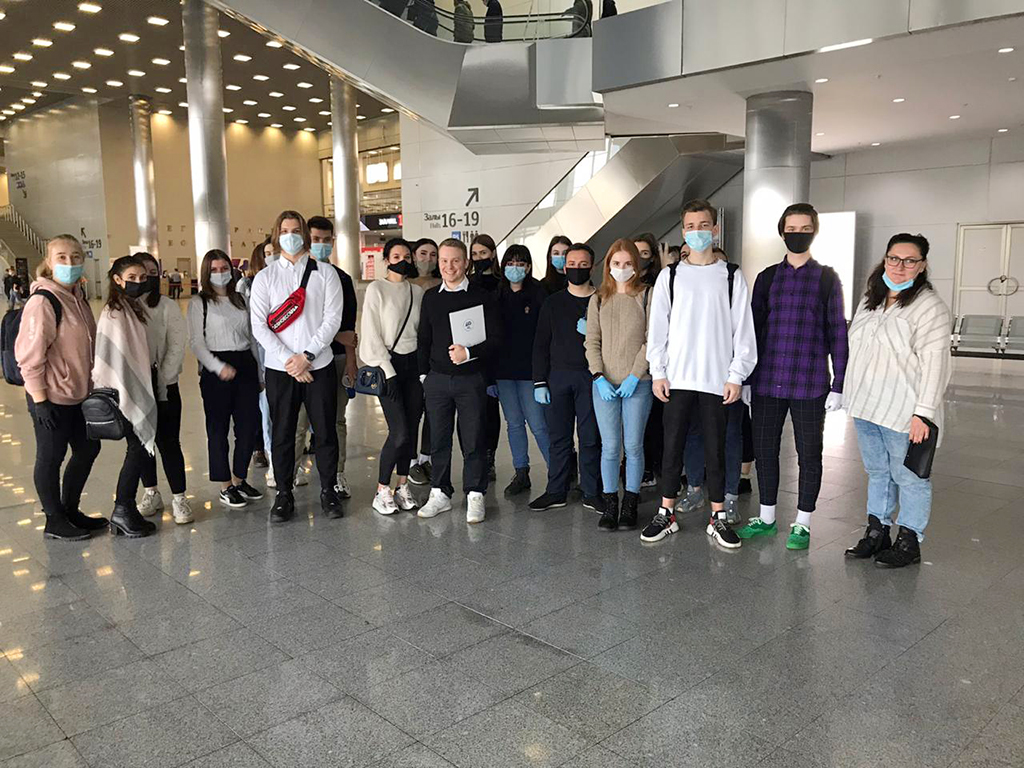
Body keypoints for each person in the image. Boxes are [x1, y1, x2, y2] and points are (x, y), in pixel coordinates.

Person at [642, 199, 756, 548]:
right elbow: (657, 329)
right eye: (690, 227)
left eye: (703, 225)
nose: (697, 232)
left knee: (716, 449)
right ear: (683, 231)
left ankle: (717, 516)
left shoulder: (732, 276)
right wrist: (658, 372)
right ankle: (666, 513)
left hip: (717, 379)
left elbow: (743, 330)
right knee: (672, 447)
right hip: (677, 378)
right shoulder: (670, 276)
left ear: (714, 229)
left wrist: (736, 375)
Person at [736, 204, 848, 550]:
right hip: (767, 381)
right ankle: (767, 517)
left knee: (809, 453)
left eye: (805, 228)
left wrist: (839, 383)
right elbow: (752, 331)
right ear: (782, 232)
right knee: (765, 451)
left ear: (814, 231)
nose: (798, 234)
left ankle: (803, 522)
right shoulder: (767, 277)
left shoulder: (827, 278)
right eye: (792, 228)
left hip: (809, 383)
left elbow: (837, 331)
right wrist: (746, 378)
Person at [843, 234, 950, 568]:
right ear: (885, 259)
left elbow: (936, 364)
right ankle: (877, 531)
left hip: (905, 411)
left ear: (922, 265)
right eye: (894, 258)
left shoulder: (929, 307)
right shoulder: (870, 301)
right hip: (866, 406)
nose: (900, 266)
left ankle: (909, 540)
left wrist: (924, 413)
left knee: (910, 477)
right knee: (878, 472)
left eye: (909, 260)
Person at [249, 210, 344, 523]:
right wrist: (290, 360)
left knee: (325, 432)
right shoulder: (265, 277)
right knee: (283, 434)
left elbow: (332, 319)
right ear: (277, 235)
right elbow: (259, 325)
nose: (291, 236)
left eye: (296, 230)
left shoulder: (325, 273)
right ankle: (283, 493)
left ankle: (328, 490)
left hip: (320, 366)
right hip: (281, 370)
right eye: (285, 231)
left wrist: (308, 356)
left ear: (304, 234)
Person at [14, 235, 105, 540]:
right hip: (51, 395)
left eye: (76, 256)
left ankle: (70, 509)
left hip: (79, 394)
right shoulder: (44, 301)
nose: (70, 262)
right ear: (49, 263)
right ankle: (54, 519)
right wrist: (40, 401)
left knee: (88, 448)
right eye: (62, 257)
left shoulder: (77, 297)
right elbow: (29, 357)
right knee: (51, 456)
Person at [416, 238, 501, 524]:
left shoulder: (482, 296)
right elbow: (423, 339)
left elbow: (496, 339)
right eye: (443, 260)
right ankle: (439, 492)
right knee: (439, 440)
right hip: (437, 380)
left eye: (455, 260)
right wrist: (424, 376)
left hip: (470, 379)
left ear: (466, 263)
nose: (449, 266)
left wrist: (470, 353)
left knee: (474, 438)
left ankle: (475, 493)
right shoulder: (431, 297)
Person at [529, 243, 603, 513]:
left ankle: (592, 491)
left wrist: (595, 331)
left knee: (590, 437)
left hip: (592, 378)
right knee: (558, 437)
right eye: (571, 264)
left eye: (583, 265)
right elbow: (540, 344)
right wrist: (539, 381)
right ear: (564, 267)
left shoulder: (602, 300)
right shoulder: (553, 302)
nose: (576, 269)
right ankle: (556, 490)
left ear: (592, 268)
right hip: (557, 377)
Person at [585, 239, 653, 531]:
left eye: (627, 263)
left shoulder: (647, 295)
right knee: (610, 447)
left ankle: (631, 503)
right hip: (605, 384)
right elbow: (592, 341)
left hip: (638, 384)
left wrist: (635, 375)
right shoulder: (598, 298)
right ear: (608, 265)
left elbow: (652, 340)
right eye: (616, 263)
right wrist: (598, 376)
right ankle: (611, 501)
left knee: (634, 446)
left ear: (636, 265)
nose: (622, 268)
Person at [188, 249, 264, 509]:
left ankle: (240, 478)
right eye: (214, 270)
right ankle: (225, 485)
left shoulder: (241, 299)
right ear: (206, 273)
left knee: (248, 426)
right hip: (216, 368)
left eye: (224, 268)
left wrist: (259, 372)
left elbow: (252, 337)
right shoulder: (199, 302)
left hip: (244, 364)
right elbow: (196, 343)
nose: (220, 274)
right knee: (218, 429)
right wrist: (217, 367)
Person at [92, 256, 158, 538]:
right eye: (132, 278)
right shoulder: (114, 313)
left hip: (136, 385)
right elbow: (113, 357)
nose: (139, 282)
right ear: (117, 280)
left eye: (143, 278)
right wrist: (127, 389)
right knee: (137, 449)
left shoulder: (132, 307)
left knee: (138, 449)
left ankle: (125, 508)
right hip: (124, 390)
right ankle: (122, 509)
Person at [362, 239, 425, 515]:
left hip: (413, 366)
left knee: (410, 430)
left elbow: (421, 332)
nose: (402, 260)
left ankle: (402, 486)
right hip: (388, 365)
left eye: (406, 256)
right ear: (386, 259)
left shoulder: (416, 291)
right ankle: (381, 489)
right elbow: (371, 333)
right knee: (398, 432)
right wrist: (388, 372)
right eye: (396, 256)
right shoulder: (376, 289)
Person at [135, 253, 193, 525]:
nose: (146, 278)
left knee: (168, 442)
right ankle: (151, 492)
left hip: (165, 386)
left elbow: (177, 346)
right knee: (142, 443)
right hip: (136, 387)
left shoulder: (167, 306)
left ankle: (179, 496)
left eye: (151, 272)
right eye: (140, 273)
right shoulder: (125, 307)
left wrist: (162, 380)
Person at [309, 215, 358, 497]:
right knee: (300, 422)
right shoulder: (297, 276)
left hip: (337, 359)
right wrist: (333, 336)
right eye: (316, 239)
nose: (321, 244)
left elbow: (348, 328)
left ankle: (337, 473)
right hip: (306, 360)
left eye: (326, 240)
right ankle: (288, 475)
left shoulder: (342, 278)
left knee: (337, 419)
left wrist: (351, 361)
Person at [495, 244, 550, 496]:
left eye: (520, 264)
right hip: (504, 372)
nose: (515, 268)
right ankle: (521, 472)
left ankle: (557, 472)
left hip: (531, 372)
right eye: (510, 263)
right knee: (514, 423)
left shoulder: (538, 293)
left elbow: (544, 335)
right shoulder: (497, 295)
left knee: (538, 424)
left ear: (528, 267)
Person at [409, 238, 441, 486]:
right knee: (412, 411)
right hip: (409, 355)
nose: (427, 259)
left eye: (433, 254)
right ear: (413, 255)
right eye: (423, 253)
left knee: (433, 411)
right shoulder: (405, 284)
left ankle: (426, 457)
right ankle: (410, 462)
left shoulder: (442, 284)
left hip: (435, 356)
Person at [469, 234, 502, 480]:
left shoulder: (501, 283)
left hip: (496, 354)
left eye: (483, 253)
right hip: (472, 354)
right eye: (475, 254)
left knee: (491, 411)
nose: (479, 258)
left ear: (492, 254)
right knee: (473, 411)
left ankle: (490, 457)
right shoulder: (468, 282)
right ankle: (474, 456)